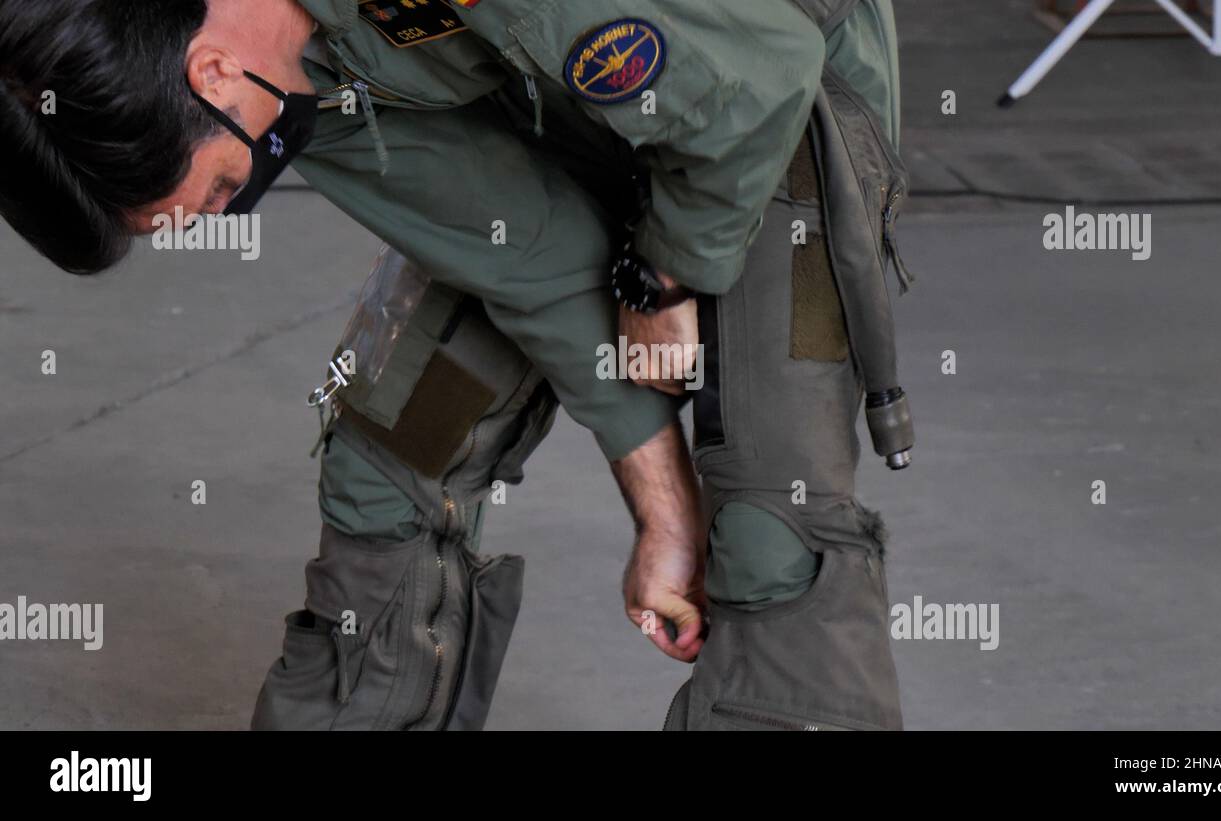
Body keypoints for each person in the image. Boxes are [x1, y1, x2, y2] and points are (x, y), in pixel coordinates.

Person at [0, 0, 915, 730]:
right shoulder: (286, 83)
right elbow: (525, 247)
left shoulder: (256, 91)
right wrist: (665, 506)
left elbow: (756, 81)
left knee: (775, 528)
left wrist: (663, 274)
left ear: (211, 72)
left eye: (220, 190)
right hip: (560, 114)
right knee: (397, 445)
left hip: (778, 101)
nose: (232, 206)